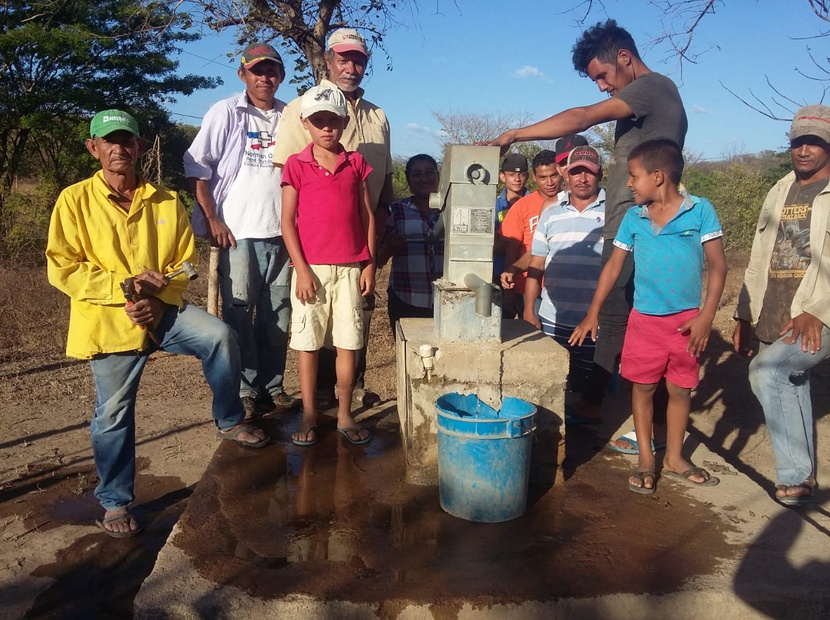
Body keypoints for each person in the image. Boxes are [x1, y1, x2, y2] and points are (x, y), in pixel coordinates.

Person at [46, 110, 268, 538]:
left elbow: (185, 263)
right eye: (108, 141)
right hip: (109, 322)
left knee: (220, 336)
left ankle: (228, 419)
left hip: (163, 312)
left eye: (126, 140)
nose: (118, 148)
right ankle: (114, 501)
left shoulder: (166, 201)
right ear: (93, 148)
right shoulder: (73, 200)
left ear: (140, 146)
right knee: (112, 413)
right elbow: (62, 268)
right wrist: (125, 288)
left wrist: (158, 291)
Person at [488, 19, 687, 449]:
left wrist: (515, 134)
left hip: (644, 230)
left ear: (624, 57)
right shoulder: (643, 101)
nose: (601, 87)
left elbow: (581, 117)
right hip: (627, 231)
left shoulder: (653, 88)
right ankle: (598, 406)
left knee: (647, 326)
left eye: (602, 75)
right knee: (616, 319)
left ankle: (653, 434)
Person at [570, 139, 727, 495]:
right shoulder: (633, 217)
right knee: (642, 388)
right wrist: (593, 312)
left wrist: (706, 317)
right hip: (644, 321)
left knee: (680, 389)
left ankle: (674, 457)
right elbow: (613, 267)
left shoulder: (699, 211)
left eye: (634, 176)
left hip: (687, 324)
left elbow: (719, 266)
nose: (629, 183)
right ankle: (645, 458)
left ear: (658, 177)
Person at [274, 27, 392, 409]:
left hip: (360, 241)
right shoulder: (300, 109)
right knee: (313, 329)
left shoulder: (378, 115)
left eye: (358, 60)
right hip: (314, 244)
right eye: (344, 58)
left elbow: (385, 180)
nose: (351, 66)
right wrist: (299, 259)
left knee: (356, 321)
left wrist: (377, 245)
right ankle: (319, 400)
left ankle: (351, 393)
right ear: (328, 60)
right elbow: (289, 178)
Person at [183, 42, 297, 419]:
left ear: (281, 75)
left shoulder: (290, 115)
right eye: (257, 71)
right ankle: (246, 389)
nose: (265, 77)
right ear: (243, 74)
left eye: (272, 71)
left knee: (277, 316)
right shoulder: (225, 112)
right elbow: (198, 167)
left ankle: (273, 386)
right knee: (238, 315)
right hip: (237, 234)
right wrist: (213, 219)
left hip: (282, 234)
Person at [733, 104, 830, 507]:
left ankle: (794, 475)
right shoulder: (779, 189)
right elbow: (759, 256)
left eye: (814, 142)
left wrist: (818, 311)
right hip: (777, 310)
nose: (804, 150)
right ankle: (805, 473)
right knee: (791, 379)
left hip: (819, 314)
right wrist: (743, 312)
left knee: (768, 372)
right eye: (797, 142)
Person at [280, 84, 376, 447]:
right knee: (308, 343)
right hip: (311, 270)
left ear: (344, 121)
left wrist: (368, 263)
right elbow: (287, 221)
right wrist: (301, 269)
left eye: (332, 121)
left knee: (348, 343)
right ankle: (308, 413)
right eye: (318, 121)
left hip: (350, 268)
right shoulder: (296, 164)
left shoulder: (356, 164)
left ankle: (345, 412)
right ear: (305, 122)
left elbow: (367, 216)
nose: (326, 128)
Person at [522, 146, 606, 418]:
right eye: (576, 172)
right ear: (566, 174)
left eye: (589, 173)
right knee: (550, 389)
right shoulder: (551, 211)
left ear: (600, 175)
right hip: (551, 319)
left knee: (587, 394)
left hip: (595, 322)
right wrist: (528, 311)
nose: (582, 179)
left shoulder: (615, 211)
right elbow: (537, 263)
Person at [377, 154, 443, 334]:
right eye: (417, 174)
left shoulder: (452, 210)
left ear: (438, 176)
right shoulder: (396, 210)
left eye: (429, 172)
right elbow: (378, 259)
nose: (424, 179)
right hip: (406, 300)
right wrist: (389, 247)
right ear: (408, 180)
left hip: (448, 302)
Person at [499, 150, 563, 317]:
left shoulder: (570, 202)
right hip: (528, 289)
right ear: (535, 177)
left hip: (561, 287)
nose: (549, 182)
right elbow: (512, 248)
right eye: (543, 177)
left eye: (554, 176)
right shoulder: (522, 206)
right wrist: (509, 292)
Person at [494, 153, 530, 317]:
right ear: (502, 176)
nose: (517, 179)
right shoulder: (493, 206)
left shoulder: (536, 203)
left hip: (527, 278)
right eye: (511, 175)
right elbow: (491, 244)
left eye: (521, 174)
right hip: (497, 277)